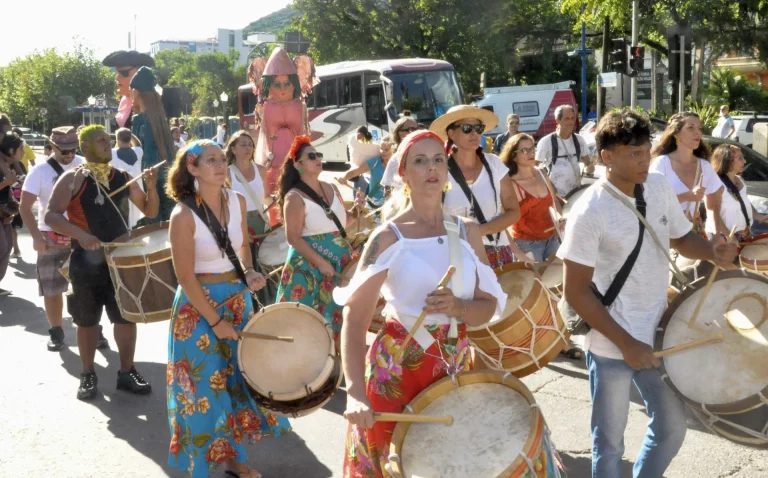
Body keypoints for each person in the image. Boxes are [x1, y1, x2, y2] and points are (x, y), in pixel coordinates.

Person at [559, 109, 738, 477]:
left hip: (659, 334)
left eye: (645, 151)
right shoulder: (589, 211)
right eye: (633, 153)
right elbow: (575, 292)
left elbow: (680, 237)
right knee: (609, 446)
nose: (644, 160)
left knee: (671, 429)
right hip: (612, 345)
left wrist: (712, 251)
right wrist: (626, 344)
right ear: (607, 157)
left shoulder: (656, 186)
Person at [335, 130, 508, 476]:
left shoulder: (468, 231)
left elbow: (489, 307)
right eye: (420, 160)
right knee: (393, 465)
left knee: (451, 466)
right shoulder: (387, 237)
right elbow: (355, 320)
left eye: (438, 160)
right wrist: (355, 393)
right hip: (396, 371)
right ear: (403, 174)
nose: (431, 167)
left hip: (455, 368)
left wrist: (458, 308)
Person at [165, 139, 290, 478]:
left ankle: (233, 461)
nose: (220, 165)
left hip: (236, 299)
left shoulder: (236, 200)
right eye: (210, 160)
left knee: (236, 383)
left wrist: (248, 273)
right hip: (198, 309)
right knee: (203, 390)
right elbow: (185, 277)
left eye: (222, 159)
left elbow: (243, 247)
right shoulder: (183, 214)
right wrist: (216, 320)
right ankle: (201, 467)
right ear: (192, 168)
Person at [45, 125, 159, 401]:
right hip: (86, 262)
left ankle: (126, 371)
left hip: (120, 260)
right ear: (85, 148)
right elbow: (51, 216)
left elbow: (150, 211)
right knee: (87, 321)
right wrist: (83, 236)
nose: (107, 144)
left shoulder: (122, 176)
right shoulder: (72, 179)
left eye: (108, 140)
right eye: (100, 141)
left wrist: (152, 187)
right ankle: (87, 374)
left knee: (125, 318)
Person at [20, 126, 104, 351]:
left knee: (90, 286)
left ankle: (94, 328)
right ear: (52, 147)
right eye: (63, 151)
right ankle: (56, 331)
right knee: (53, 287)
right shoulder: (39, 171)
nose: (68, 155)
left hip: (83, 236)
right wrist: (36, 238)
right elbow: (25, 207)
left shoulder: (85, 165)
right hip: (51, 235)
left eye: (72, 150)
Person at [275, 135, 364, 343]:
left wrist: (358, 210)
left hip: (337, 263)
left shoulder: (332, 188)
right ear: (298, 164)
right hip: (308, 268)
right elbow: (293, 238)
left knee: (338, 323)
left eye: (318, 155)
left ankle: (335, 372)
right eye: (311, 156)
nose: (318, 159)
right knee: (305, 327)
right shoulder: (294, 197)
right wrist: (322, 262)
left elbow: (343, 223)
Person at [430, 105, 521, 269]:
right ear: (451, 134)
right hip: (455, 255)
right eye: (467, 128)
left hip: (496, 252)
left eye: (479, 128)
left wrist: (478, 231)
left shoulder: (494, 164)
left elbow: (514, 212)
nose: (474, 133)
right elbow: (430, 217)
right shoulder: (439, 169)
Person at [650, 112, 726, 237]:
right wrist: (687, 196)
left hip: (694, 232)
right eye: (691, 128)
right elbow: (651, 202)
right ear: (676, 133)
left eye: (699, 128)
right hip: (667, 233)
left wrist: (717, 236)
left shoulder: (704, 166)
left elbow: (713, 205)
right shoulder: (662, 163)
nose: (698, 133)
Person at [225, 131, 274, 306]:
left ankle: (266, 304)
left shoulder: (260, 169)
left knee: (264, 262)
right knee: (246, 264)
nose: (248, 148)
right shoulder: (227, 173)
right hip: (238, 223)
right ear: (233, 149)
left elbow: (265, 196)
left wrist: (280, 203)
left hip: (261, 222)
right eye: (243, 144)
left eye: (250, 144)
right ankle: (248, 304)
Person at [501, 133, 561, 263]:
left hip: (552, 238)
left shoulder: (542, 173)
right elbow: (502, 222)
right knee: (536, 282)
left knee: (556, 280)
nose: (531, 153)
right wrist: (517, 252)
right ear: (513, 156)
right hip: (526, 244)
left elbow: (555, 201)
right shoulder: (510, 183)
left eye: (532, 148)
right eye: (524, 150)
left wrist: (560, 220)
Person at [130, 66, 175, 223]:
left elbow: (139, 154)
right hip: (166, 179)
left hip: (149, 181)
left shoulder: (139, 120)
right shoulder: (161, 121)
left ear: (136, 93)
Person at [708, 143, 768, 240]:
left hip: (743, 233)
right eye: (740, 158)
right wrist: (728, 235)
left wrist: (759, 217)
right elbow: (713, 213)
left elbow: (743, 202)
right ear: (727, 161)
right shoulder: (716, 184)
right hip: (723, 237)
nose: (744, 161)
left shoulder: (739, 180)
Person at [536, 104, 593, 197]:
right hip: (555, 195)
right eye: (567, 118)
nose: (571, 122)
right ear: (557, 120)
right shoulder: (546, 141)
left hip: (576, 194)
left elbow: (588, 165)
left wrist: (589, 168)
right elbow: (535, 168)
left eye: (572, 118)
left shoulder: (579, 140)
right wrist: (548, 187)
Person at [102, 50, 155, 130]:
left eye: (124, 73)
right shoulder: (125, 102)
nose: (117, 78)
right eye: (117, 73)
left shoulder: (149, 106)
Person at [337, 136, 393, 211]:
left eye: (386, 150)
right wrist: (344, 177)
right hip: (374, 205)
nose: (382, 152)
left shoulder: (399, 164)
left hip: (393, 204)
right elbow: (355, 172)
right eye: (381, 149)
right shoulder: (375, 162)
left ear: (394, 150)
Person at [0, 133, 23, 296]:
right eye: (21, 148)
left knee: (7, 248)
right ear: (10, 150)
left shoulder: (11, 164)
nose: (24, 151)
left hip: (4, 212)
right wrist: (6, 182)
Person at [111, 127, 145, 229]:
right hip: (137, 191)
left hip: (121, 192)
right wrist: (129, 134)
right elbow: (138, 144)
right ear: (130, 139)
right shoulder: (138, 151)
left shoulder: (111, 153)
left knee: (123, 219)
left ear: (117, 140)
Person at [380, 116, 420, 189]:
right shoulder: (396, 159)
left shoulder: (426, 153)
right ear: (399, 133)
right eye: (410, 129)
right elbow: (388, 189)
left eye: (417, 129)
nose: (415, 132)